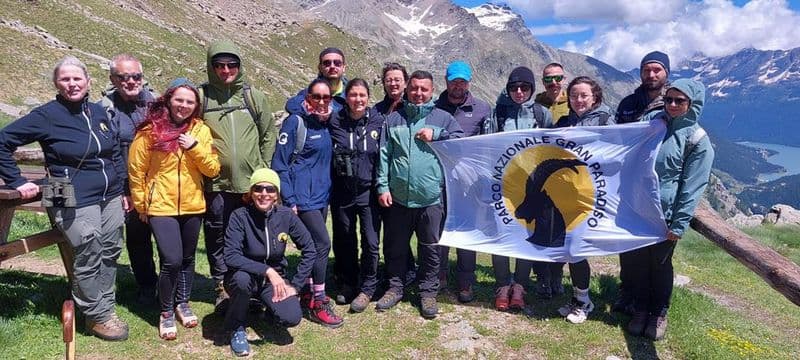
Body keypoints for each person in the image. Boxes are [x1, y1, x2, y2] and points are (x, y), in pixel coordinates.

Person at [0, 56, 129, 341]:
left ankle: (103, 309)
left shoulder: (98, 112)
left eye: (77, 79)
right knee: (88, 249)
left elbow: (114, 154)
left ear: (88, 82)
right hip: (65, 190)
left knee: (110, 249)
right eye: (65, 79)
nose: (72, 84)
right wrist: (17, 181)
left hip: (108, 195)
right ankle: (97, 316)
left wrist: (121, 190)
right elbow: (3, 141)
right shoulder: (46, 115)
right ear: (57, 84)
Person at [128, 78, 220, 340]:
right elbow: (137, 171)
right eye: (179, 100)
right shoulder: (149, 130)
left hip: (192, 204)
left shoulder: (200, 130)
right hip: (161, 205)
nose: (184, 105)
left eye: (190, 102)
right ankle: (166, 311)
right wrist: (142, 204)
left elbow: (212, 168)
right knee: (172, 260)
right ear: (168, 100)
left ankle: (183, 302)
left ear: (196, 105)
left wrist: (194, 147)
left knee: (188, 259)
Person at [626, 78, 713, 340]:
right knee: (639, 261)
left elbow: (692, 185)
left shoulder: (697, 140)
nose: (673, 105)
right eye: (669, 99)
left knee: (660, 264)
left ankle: (659, 312)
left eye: (680, 100)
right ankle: (640, 309)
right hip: (640, 207)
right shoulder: (654, 125)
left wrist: (679, 222)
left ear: (692, 103)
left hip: (666, 213)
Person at [375, 70, 464, 319]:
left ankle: (428, 292)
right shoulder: (394, 119)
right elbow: (384, 155)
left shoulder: (444, 118)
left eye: (424, 89)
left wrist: (437, 135)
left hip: (431, 198)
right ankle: (395, 288)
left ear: (432, 90)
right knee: (395, 247)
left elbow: (460, 141)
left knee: (430, 249)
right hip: (398, 198)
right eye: (414, 88)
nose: (418, 93)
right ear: (407, 89)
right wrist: (382, 186)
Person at [201, 40, 276, 313]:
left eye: (231, 65)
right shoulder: (202, 97)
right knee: (217, 233)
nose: (225, 70)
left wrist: (264, 168)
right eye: (219, 65)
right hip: (215, 184)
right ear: (211, 67)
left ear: (239, 66)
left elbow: (269, 134)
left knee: (250, 234)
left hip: (249, 185)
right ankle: (221, 284)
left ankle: (249, 282)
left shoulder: (253, 97)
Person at [223, 168, 317, 356]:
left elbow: (310, 248)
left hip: (273, 283)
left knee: (292, 317)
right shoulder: (239, 216)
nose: (264, 194)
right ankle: (236, 327)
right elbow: (231, 256)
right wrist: (268, 271)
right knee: (241, 281)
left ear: (276, 195)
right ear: (251, 193)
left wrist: (296, 286)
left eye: (270, 189)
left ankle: (266, 308)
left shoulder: (286, 215)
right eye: (258, 188)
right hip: (245, 276)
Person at [272, 79, 343, 328]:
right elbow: (279, 164)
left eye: (326, 97)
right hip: (303, 200)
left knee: (312, 245)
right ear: (307, 97)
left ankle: (308, 291)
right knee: (322, 245)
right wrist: (290, 199)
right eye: (316, 97)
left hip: (321, 196)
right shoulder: (296, 122)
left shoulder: (326, 122)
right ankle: (317, 299)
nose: (322, 101)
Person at [486, 66, 553, 312]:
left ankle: (520, 286)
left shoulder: (542, 114)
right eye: (514, 87)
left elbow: (551, 147)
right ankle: (503, 284)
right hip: (503, 187)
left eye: (524, 87)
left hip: (532, 188)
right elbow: (489, 147)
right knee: (502, 233)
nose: (519, 92)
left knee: (526, 233)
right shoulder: (498, 114)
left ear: (532, 89)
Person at [553, 76, 615, 324]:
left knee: (576, 248)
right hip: (567, 196)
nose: (578, 100)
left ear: (595, 97)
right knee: (569, 248)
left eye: (584, 95)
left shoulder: (606, 121)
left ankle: (584, 301)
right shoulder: (564, 122)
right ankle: (578, 298)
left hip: (591, 196)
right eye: (574, 95)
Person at [97, 53, 159, 305]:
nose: (131, 81)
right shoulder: (104, 109)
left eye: (136, 76)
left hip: (159, 183)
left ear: (143, 78)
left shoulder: (157, 104)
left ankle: (172, 287)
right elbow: (107, 151)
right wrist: (124, 189)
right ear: (113, 79)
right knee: (137, 236)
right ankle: (146, 284)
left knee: (168, 238)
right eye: (123, 77)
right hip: (125, 185)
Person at [614, 51, 671, 315]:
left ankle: (655, 304)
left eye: (656, 70)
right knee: (627, 239)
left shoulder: (673, 102)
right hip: (627, 181)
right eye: (647, 70)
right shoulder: (628, 103)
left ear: (666, 73)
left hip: (656, 182)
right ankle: (629, 294)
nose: (651, 75)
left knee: (657, 247)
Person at [433, 60, 492, 303]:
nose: (458, 85)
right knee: (440, 230)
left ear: (469, 82)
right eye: (453, 80)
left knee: (467, 231)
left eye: (462, 81)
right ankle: (439, 275)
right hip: (440, 181)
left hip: (470, 184)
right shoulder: (434, 108)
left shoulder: (482, 108)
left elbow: (488, 146)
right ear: (446, 81)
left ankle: (466, 281)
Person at [328, 79, 384, 312]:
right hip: (342, 190)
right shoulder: (335, 120)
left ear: (368, 97)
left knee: (371, 241)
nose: (358, 100)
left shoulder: (378, 121)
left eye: (362, 95)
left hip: (368, 191)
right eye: (353, 95)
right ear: (346, 97)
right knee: (345, 238)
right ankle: (348, 282)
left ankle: (369, 286)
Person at [373, 62, 418, 286]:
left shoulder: (412, 110)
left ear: (406, 82)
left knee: (398, 233)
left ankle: (407, 271)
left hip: (401, 183)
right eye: (389, 79)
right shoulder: (376, 110)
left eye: (397, 79)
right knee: (387, 233)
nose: (393, 83)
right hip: (379, 180)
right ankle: (390, 272)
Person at [285, 47, 348, 115]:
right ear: (320, 68)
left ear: (344, 67)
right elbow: (291, 105)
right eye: (327, 63)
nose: (332, 66)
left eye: (337, 63)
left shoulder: (353, 93)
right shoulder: (309, 92)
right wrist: (314, 113)